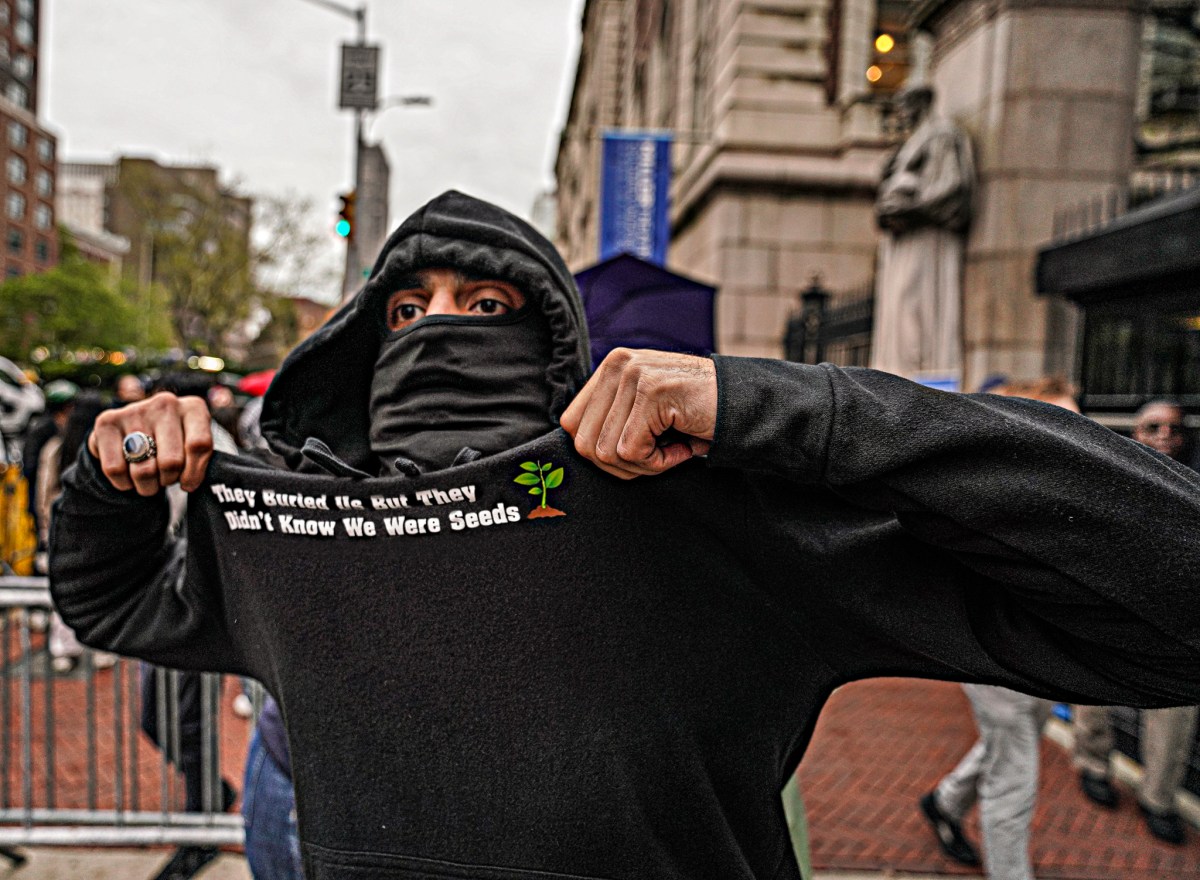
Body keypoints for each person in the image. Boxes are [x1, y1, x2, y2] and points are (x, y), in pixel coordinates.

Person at [49, 191, 1200, 880]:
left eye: (486, 305)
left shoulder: (695, 518)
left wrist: (783, 410)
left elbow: (1172, 598)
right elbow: (110, 602)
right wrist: (112, 479)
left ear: (547, 335)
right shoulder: (308, 525)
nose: (440, 328)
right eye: (407, 310)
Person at [919, 378, 1080, 880]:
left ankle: (945, 801)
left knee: (1008, 743)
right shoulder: (992, 491)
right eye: (1061, 420)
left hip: (1042, 654)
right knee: (1015, 777)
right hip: (998, 657)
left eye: (1079, 420)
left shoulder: (1067, 485)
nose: (1078, 434)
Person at [1072, 399, 1198, 846]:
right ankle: (1093, 765)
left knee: (1176, 709)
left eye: (1174, 428)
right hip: (1111, 609)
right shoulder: (1109, 479)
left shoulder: (1194, 484)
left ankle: (1158, 797)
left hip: (1175, 620)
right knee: (1092, 694)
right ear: (1135, 433)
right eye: (1153, 426)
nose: (1165, 435)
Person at [870, 84, 975, 382]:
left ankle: (921, 382)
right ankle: (898, 380)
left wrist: (913, 209)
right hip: (904, 240)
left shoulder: (941, 135)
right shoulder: (910, 144)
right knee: (900, 316)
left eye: (905, 103)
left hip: (926, 239)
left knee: (917, 311)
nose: (901, 111)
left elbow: (952, 186)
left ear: (922, 102)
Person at [36, 392, 116, 673]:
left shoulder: (56, 449)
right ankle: (100, 648)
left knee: (63, 595)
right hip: (100, 533)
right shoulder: (107, 449)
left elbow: (44, 495)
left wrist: (49, 528)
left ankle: (64, 650)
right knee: (102, 593)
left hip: (63, 533)